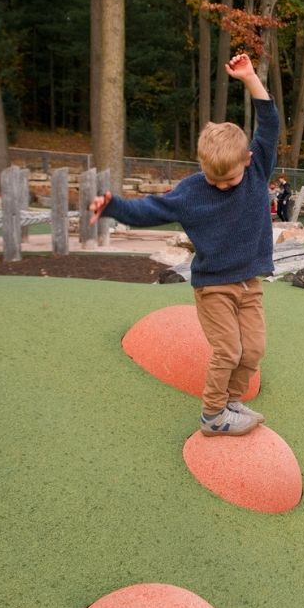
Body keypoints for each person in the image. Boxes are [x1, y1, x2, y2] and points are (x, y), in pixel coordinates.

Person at [89, 53, 278, 437]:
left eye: (230, 180)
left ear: (247, 159)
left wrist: (249, 78)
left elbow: (270, 120)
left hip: (250, 283)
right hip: (213, 287)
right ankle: (213, 416)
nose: (222, 186)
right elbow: (150, 209)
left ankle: (231, 402)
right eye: (214, 180)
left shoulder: (257, 168)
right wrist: (113, 207)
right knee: (229, 351)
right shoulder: (193, 192)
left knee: (253, 351)